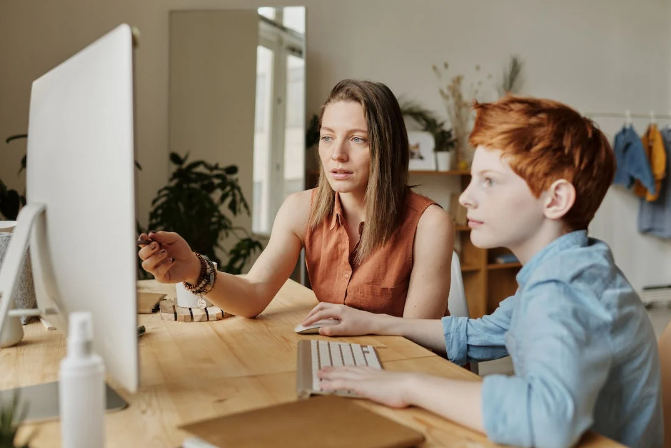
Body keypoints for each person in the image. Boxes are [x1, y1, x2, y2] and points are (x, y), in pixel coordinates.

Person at [301, 96, 663, 448]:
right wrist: (374, 322)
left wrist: (407, 386)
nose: (465, 197)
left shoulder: (563, 289)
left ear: (555, 200)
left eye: (489, 181)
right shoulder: (574, 267)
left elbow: (546, 419)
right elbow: (481, 333)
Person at [138, 79, 454, 319]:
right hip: (344, 362)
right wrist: (194, 269)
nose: (337, 154)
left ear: (388, 148)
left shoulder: (430, 224)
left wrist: (353, 326)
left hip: (408, 374)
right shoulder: (301, 209)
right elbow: (253, 294)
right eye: (328, 137)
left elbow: (418, 341)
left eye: (357, 139)